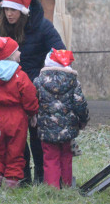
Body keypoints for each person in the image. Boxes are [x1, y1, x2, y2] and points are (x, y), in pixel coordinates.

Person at [0, 0, 64, 184]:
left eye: (13, 10)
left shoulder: (43, 26)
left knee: (37, 135)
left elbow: (60, 52)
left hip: (35, 89)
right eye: (6, 10)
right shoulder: (0, 28)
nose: (9, 14)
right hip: (8, 90)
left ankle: (41, 176)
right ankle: (21, 176)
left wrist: (41, 77)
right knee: (14, 137)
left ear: (23, 11)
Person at [0, 36, 38, 188]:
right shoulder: (20, 75)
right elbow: (29, 95)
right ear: (11, 55)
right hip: (16, 117)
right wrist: (32, 113)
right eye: (17, 50)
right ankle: (12, 181)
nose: (20, 53)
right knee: (16, 150)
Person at [33, 49, 88, 189]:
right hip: (67, 129)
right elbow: (79, 102)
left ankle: (52, 188)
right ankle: (67, 186)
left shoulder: (39, 81)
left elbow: (33, 102)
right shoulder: (73, 81)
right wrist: (83, 120)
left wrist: (33, 116)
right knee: (66, 157)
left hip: (46, 128)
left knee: (50, 158)